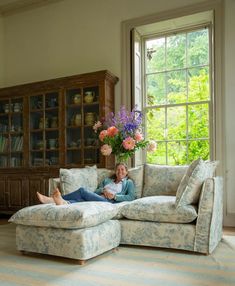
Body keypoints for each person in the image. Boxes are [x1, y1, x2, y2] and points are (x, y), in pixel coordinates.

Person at [36, 163, 136, 205]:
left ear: (126, 172)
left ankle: (51, 199)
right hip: (100, 197)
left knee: (82, 191)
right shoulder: (107, 181)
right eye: (118, 169)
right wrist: (103, 190)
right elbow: (96, 191)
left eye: (122, 169)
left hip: (110, 202)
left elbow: (131, 197)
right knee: (81, 199)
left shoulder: (128, 183)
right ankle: (63, 202)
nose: (120, 171)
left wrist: (115, 196)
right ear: (115, 171)